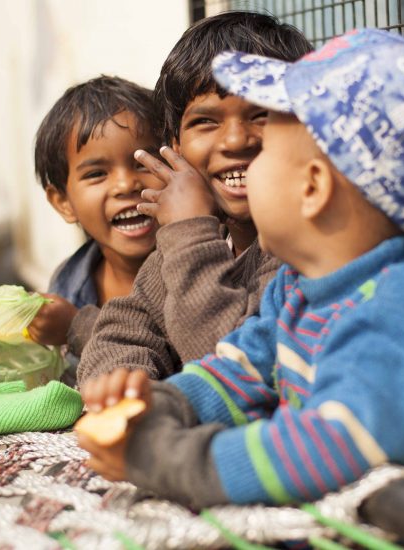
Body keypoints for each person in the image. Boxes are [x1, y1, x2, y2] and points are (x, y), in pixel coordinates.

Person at [77, 28, 404, 508]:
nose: (243, 148)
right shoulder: (300, 284)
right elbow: (237, 371)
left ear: (313, 188)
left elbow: (323, 448)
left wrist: (169, 460)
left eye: (266, 151)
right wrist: (159, 407)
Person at [76, 12, 313, 383]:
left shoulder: (311, 250)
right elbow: (125, 330)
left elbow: (236, 368)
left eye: (261, 115)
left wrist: (189, 232)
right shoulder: (202, 238)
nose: (236, 141)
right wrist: (123, 386)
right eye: (206, 121)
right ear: (175, 148)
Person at [26, 76, 161, 363]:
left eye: (143, 163)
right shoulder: (70, 282)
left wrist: (77, 326)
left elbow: (175, 361)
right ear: (64, 203)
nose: (126, 185)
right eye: (97, 174)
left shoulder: (194, 267)